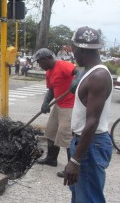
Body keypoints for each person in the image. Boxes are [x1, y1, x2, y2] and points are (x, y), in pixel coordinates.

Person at [63, 26, 113, 203]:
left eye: (73, 49)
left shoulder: (98, 76)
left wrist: (75, 161)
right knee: (79, 195)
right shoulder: (90, 72)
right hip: (83, 141)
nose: (72, 54)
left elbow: (92, 121)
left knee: (89, 199)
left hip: (91, 144)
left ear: (81, 50)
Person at [34, 48, 82, 178]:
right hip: (58, 104)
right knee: (51, 131)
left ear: (47, 59)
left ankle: (70, 168)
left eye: (40, 62)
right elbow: (51, 89)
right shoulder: (49, 72)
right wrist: (45, 102)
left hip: (69, 106)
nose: (39, 65)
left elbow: (79, 72)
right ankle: (51, 159)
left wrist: (76, 81)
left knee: (66, 136)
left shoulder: (63, 65)